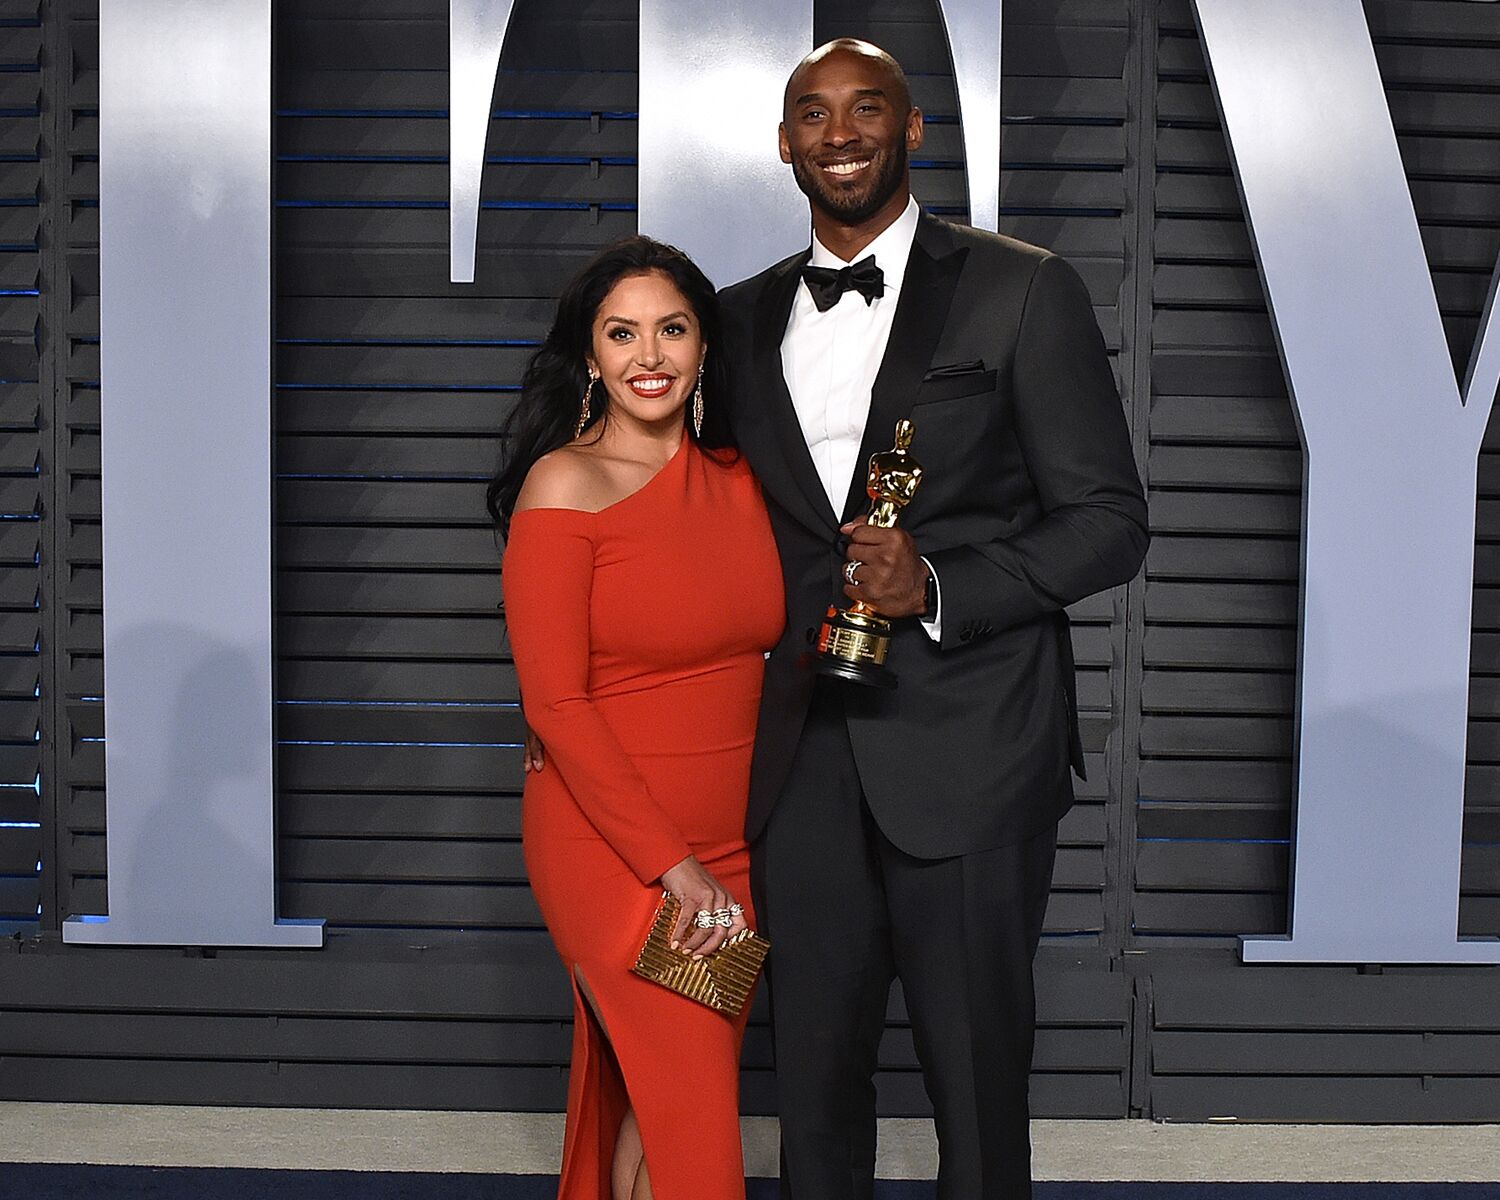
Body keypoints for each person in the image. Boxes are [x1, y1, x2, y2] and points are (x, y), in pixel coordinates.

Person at [716, 39, 1150, 1199]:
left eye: (868, 110)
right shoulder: (734, 318)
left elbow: (1110, 521)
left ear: (912, 130)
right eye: (813, 115)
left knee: (976, 1091)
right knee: (806, 1086)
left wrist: (942, 587)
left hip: (972, 757)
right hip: (795, 765)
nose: (840, 133)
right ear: (784, 143)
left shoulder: (1021, 287)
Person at [491, 236, 785, 1200]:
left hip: (735, 843)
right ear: (590, 355)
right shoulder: (564, 485)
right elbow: (555, 705)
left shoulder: (749, 480)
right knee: (697, 1127)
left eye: (672, 329)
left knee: (662, 1108)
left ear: (705, 347)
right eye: (622, 334)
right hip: (619, 851)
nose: (649, 356)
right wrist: (676, 867)